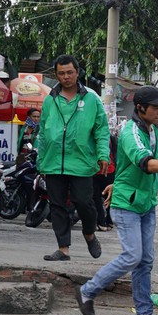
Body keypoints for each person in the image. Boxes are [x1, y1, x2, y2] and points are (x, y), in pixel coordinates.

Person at [75, 86, 158, 315]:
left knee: (145, 260)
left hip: (146, 203)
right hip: (127, 205)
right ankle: (86, 291)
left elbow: (151, 163)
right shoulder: (131, 132)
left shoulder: (151, 131)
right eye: (155, 107)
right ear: (140, 108)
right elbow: (146, 164)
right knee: (133, 256)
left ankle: (144, 314)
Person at [37, 55, 110, 261]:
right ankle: (63, 249)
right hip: (53, 162)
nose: (66, 76)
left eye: (70, 72)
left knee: (84, 202)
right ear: (56, 74)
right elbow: (43, 131)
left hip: (81, 161)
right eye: (61, 73)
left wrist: (103, 154)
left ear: (77, 72)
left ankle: (89, 233)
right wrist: (41, 160)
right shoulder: (50, 99)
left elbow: (101, 130)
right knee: (57, 205)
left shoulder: (92, 98)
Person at [93, 133, 117, 231]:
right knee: (108, 196)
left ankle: (102, 222)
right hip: (110, 169)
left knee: (96, 197)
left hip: (98, 170)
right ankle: (109, 222)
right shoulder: (109, 137)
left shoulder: (96, 137)